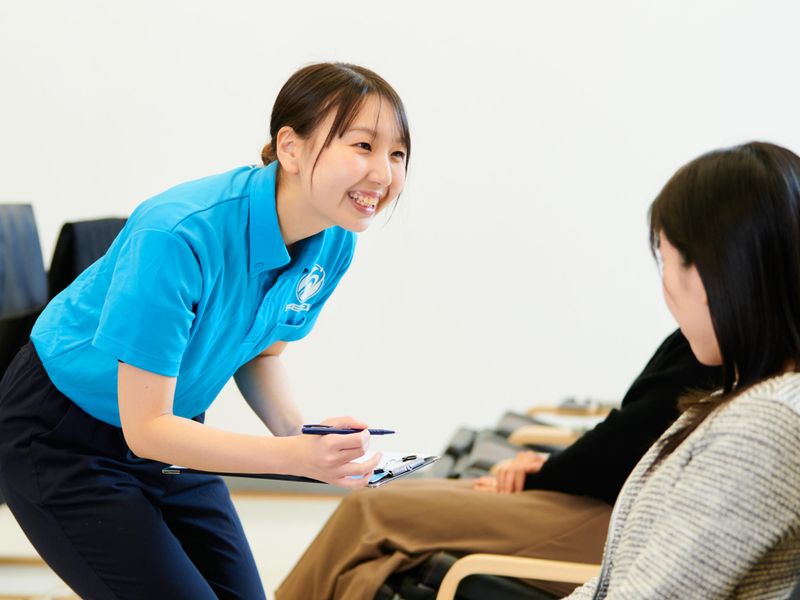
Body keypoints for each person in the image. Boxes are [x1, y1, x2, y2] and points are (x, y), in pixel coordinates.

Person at [0, 62, 410, 600]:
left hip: (173, 436)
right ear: (290, 148)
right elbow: (146, 429)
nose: (383, 173)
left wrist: (301, 435)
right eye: (362, 145)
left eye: (397, 154)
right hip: (64, 436)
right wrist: (294, 460)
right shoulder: (179, 234)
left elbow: (261, 354)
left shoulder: (334, 240)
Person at [276, 328, 722, 599]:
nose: (668, 276)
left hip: (620, 523)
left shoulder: (724, 349)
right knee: (370, 561)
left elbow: (633, 437)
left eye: (674, 258)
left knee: (372, 514)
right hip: (609, 503)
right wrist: (546, 466)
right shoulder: (714, 341)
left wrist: (541, 473)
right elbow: (634, 428)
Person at [566, 142, 800, 598]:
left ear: (713, 273)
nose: (667, 289)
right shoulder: (745, 402)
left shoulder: (764, 426)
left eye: (666, 258)